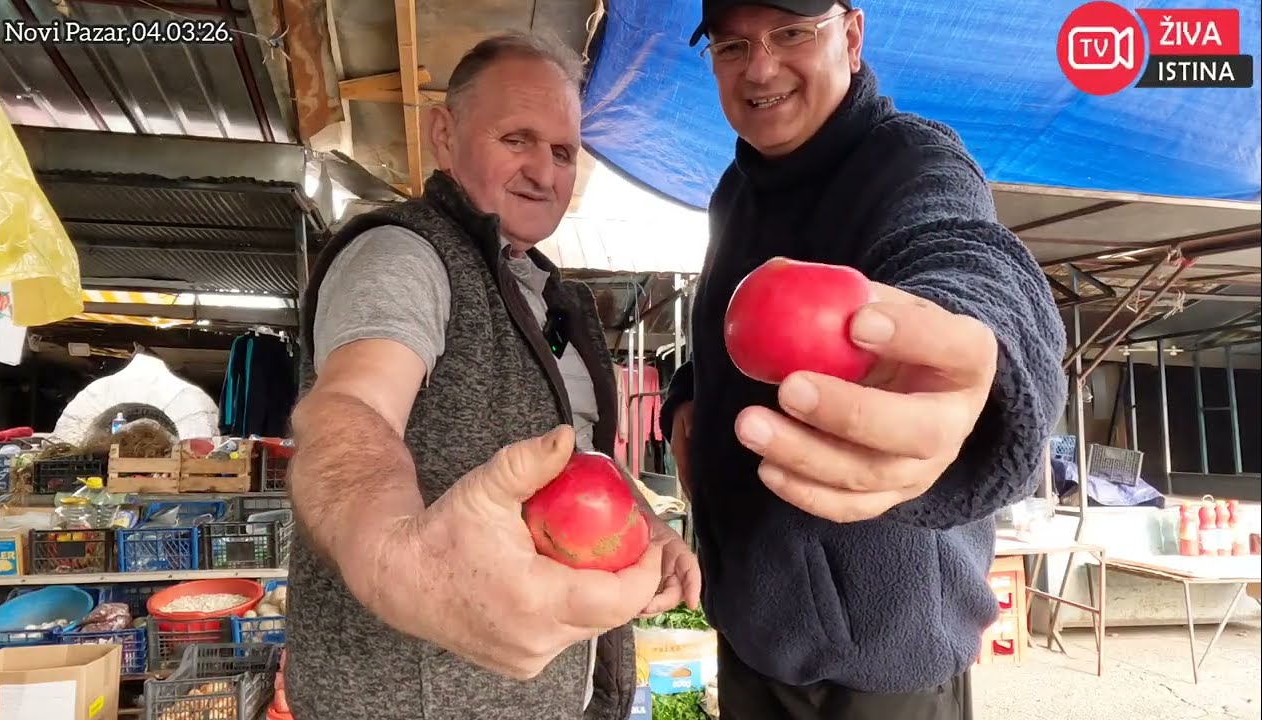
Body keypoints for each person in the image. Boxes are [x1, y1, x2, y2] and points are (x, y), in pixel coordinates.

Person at [663, 1, 1068, 718]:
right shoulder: (735, 194)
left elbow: (961, 255)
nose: (759, 67)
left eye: (790, 33)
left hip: (875, 662)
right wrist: (691, 394)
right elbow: (738, 332)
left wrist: (976, 363)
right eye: (732, 47)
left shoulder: (912, 160)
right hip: (754, 629)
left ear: (849, 37)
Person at [284, 32, 700, 720]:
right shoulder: (403, 253)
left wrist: (645, 525)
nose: (544, 170)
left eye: (563, 151)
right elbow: (351, 408)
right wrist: (394, 563)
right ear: (444, 135)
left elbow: (577, 457)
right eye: (517, 139)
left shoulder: (557, 298)